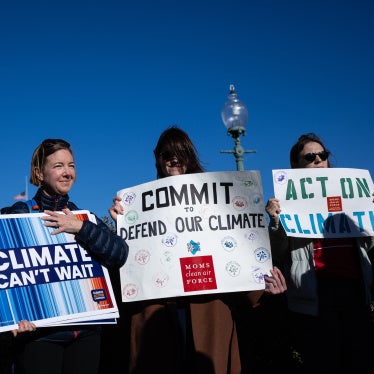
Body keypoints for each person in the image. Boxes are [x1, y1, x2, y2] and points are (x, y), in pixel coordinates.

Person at [109, 125, 287, 374]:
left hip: (208, 308)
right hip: (160, 309)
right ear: (158, 159)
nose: (174, 158)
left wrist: (262, 288)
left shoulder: (217, 199)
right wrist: (122, 223)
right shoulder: (138, 205)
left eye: (180, 153)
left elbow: (237, 248)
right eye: (166, 153)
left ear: (189, 157)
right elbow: (127, 261)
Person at [0, 138, 129, 374]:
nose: (67, 172)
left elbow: (119, 254)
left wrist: (81, 228)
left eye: (71, 165)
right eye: (58, 166)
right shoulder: (18, 214)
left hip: (87, 334)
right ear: (39, 173)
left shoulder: (84, 216)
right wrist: (10, 315)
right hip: (40, 337)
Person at [265, 133, 374, 373]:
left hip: (355, 294)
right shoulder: (287, 206)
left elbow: (369, 246)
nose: (318, 160)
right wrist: (275, 222)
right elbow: (278, 253)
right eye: (310, 156)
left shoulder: (352, 197)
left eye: (322, 155)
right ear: (296, 166)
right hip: (315, 297)